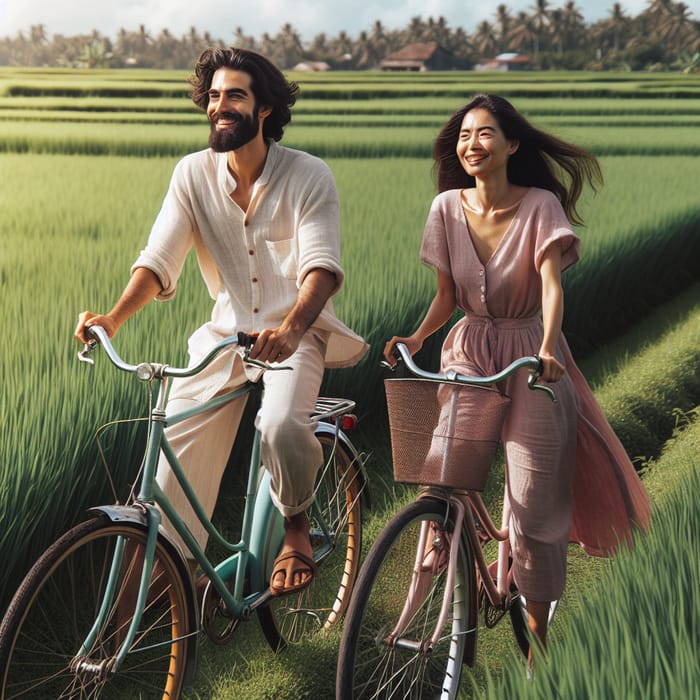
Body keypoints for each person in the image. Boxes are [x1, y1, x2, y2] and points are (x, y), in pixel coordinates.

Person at [75, 46, 368, 597]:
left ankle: (296, 530)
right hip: (225, 337)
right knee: (168, 467)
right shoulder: (192, 174)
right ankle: (165, 583)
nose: (220, 106)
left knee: (280, 426)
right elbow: (158, 259)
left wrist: (292, 331)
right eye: (213, 96)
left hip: (293, 334)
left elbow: (321, 269)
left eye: (235, 95)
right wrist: (113, 319)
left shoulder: (308, 175)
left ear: (263, 109)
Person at [384, 94, 650, 661]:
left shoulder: (541, 206)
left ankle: (535, 643)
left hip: (531, 355)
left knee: (532, 501)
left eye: (484, 134)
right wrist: (416, 338)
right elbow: (447, 298)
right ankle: (438, 586)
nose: (471, 145)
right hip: (469, 347)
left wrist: (551, 346)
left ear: (512, 145)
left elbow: (552, 286)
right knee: (444, 475)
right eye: (463, 136)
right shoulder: (445, 209)